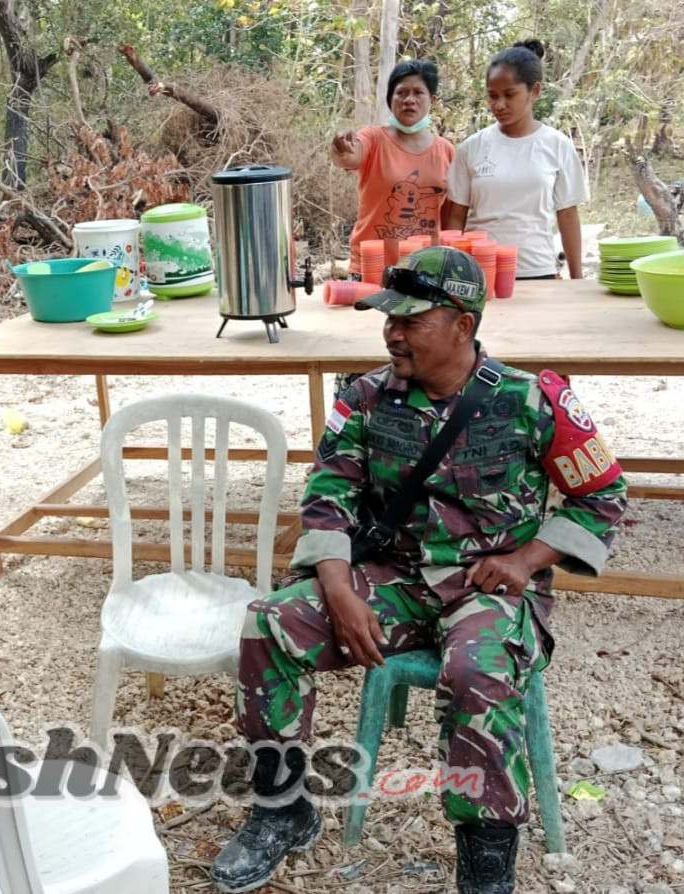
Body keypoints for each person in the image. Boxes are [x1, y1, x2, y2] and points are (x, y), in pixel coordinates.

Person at [210, 246, 628, 894]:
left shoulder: (532, 400)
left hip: (486, 587)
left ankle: (486, 864)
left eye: (411, 321)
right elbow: (328, 500)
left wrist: (525, 560)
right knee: (269, 626)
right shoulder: (366, 398)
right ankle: (282, 810)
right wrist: (339, 588)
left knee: (477, 673)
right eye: (389, 319)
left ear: (462, 324)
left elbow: (603, 496)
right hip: (393, 579)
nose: (392, 333)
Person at [444, 40, 587, 280]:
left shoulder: (557, 145)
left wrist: (577, 278)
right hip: (478, 276)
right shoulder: (472, 148)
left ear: (535, 91)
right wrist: (450, 272)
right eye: (492, 96)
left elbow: (568, 216)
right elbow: (456, 216)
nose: (499, 105)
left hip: (537, 272)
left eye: (510, 95)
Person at [332, 59, 456, 273]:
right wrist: (341, 149)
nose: (409, 100)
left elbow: (448, 215)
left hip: (425, 270)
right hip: (371, 268)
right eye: (401, 93)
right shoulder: (373, 138)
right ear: (390, 98)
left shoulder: (446, 150)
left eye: (418, 93)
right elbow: (349, 157)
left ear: (432, 100)